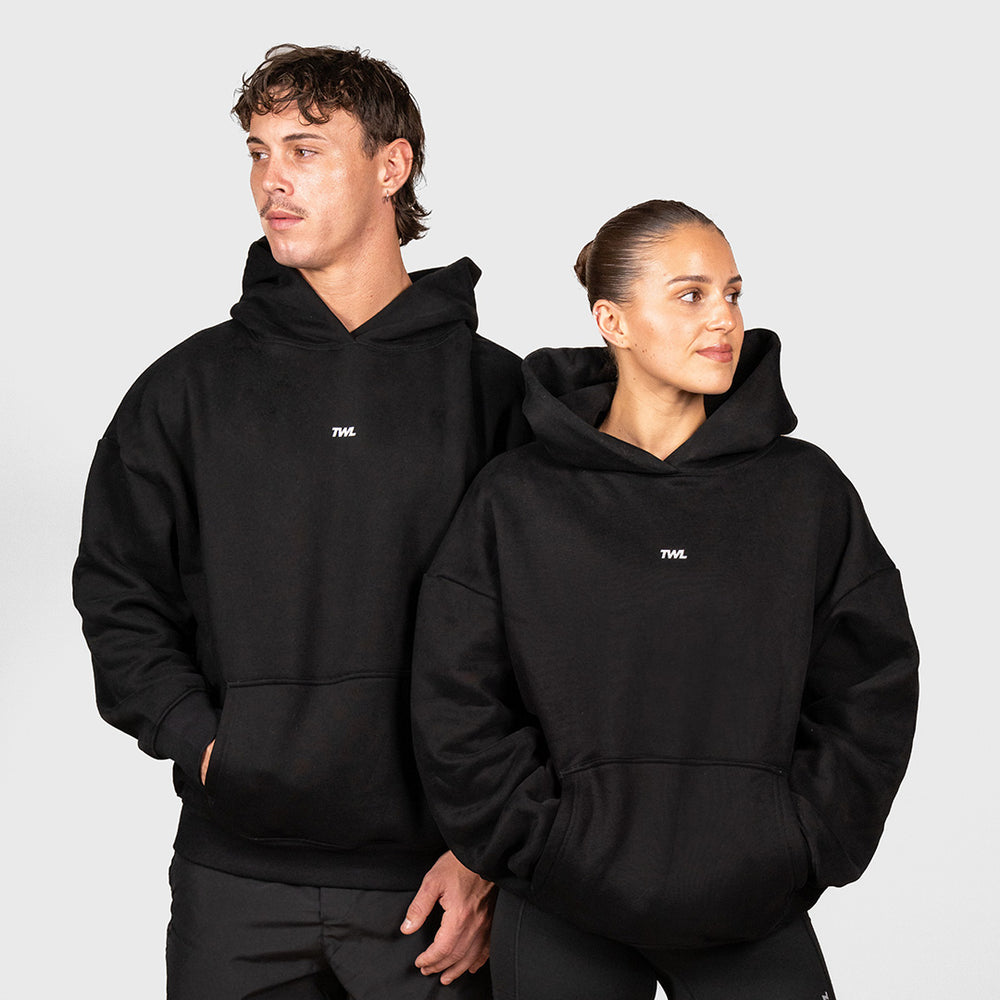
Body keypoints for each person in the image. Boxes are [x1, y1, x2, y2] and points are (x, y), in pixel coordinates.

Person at [73, 44, 528, 1000]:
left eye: (306, 149)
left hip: (432, 889)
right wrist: (208, 744)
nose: (270, 179)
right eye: (257, 151)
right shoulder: (187, 388)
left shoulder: (499, 395)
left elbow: (556, 636)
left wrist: (487, 853)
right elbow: (119, 594)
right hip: (234, 883)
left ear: (391, 166)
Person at [410, 200, 919, 999]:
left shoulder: (804, 492)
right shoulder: (518, 498)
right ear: (611, 320)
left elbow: (870, 687)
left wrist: (799, 841)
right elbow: (457, 698)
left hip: (754, 904)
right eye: (691, 295)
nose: (724, 319)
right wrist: (541, 844)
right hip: (561, 904)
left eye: (733, 294)